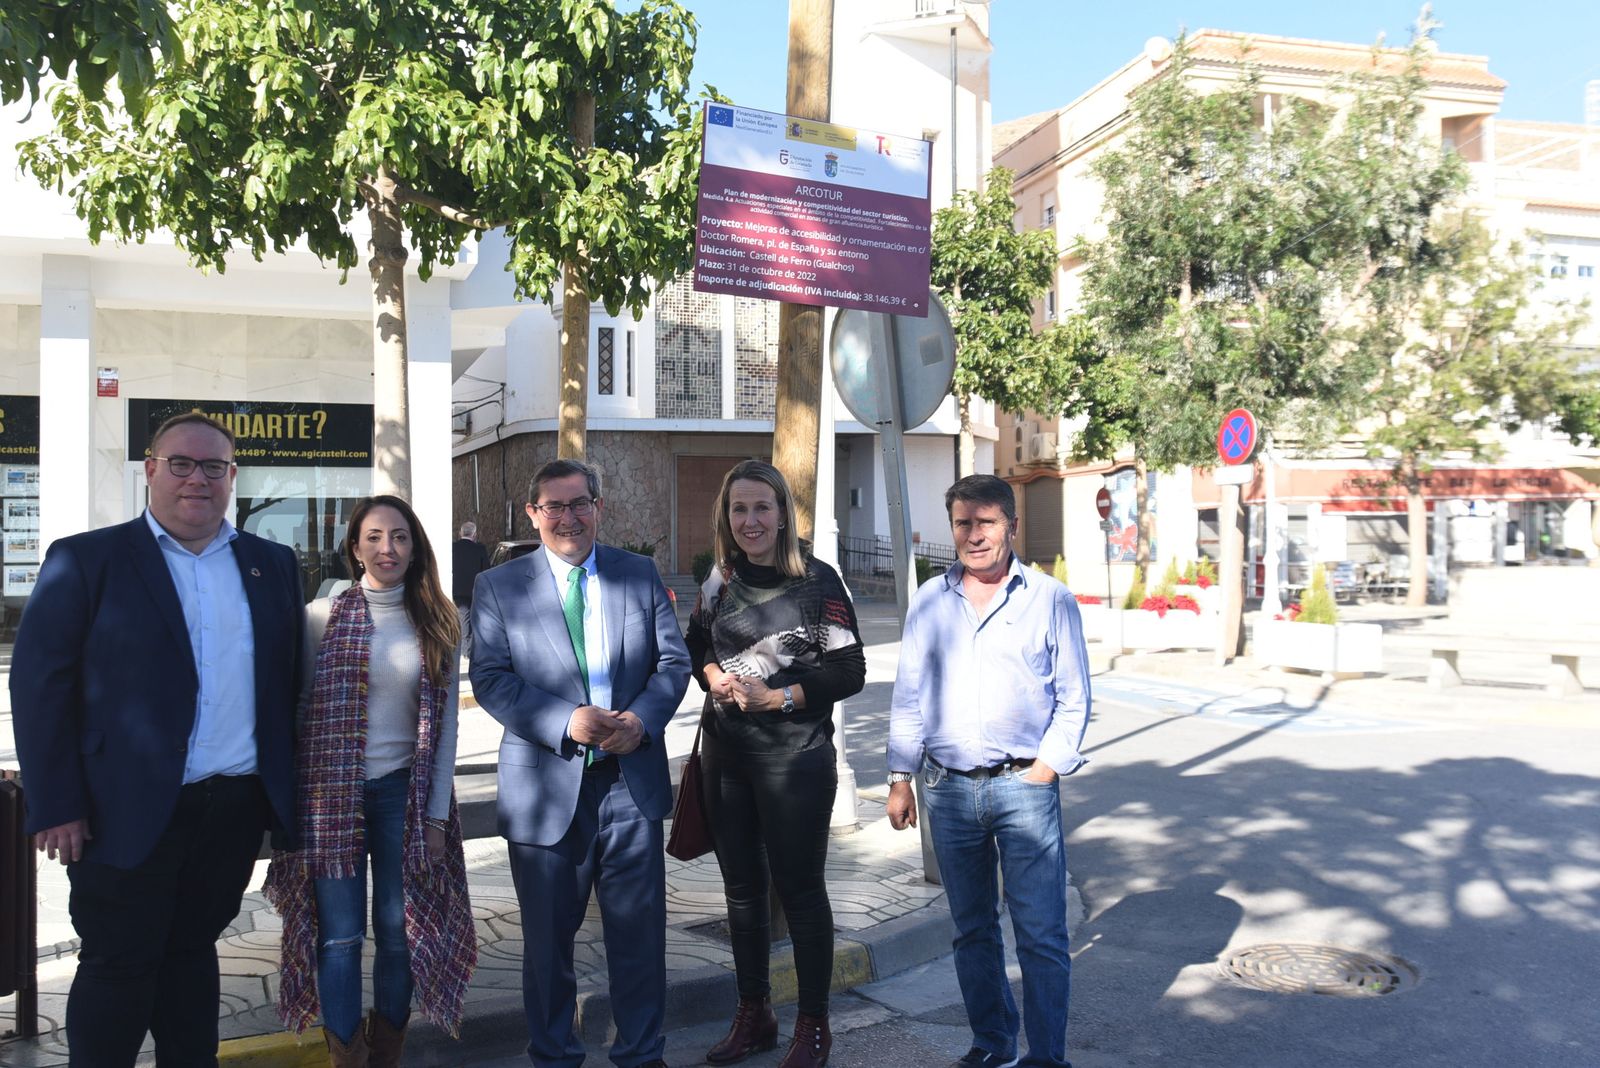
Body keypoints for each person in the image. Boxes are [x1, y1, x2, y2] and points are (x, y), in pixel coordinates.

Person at [10, 412, 303, 1067]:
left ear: (232, 478)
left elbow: (286, 688)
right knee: (119, 965)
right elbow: (38, 687)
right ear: (150, 470)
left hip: (231, 807)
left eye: (213, 467)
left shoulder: (271, 565)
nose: (196, 479)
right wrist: (56, 803)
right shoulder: (87, 559)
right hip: (122, 811)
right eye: (180, 464)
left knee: (192, 955)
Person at [469, 459, 690, 1068]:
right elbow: (489, 678)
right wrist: (565, 721)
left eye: (579, 504)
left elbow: (673, 665)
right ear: (533, 514)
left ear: (598, 506)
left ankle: (642, 1055)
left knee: (639, 941)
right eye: (554, 507)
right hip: (545, 788)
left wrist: (641, 722)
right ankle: (554, 1056)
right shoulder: (500, 586)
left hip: (629, 786)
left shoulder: (638, 573)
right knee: (547, 946)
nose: (569, 518)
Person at [886, 474, 1091, 1068]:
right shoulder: (929, 600)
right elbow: (909, 695)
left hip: (1023, 787)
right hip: (948, 791)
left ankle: (1046, 1057)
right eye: (962, 523)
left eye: (986, 522)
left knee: (1041, 935)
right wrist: (900, 776)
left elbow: (1074, 698)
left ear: (1011, 526)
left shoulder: (1050, 599)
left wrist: (1045, 770)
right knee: (972, 930)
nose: (973, 535)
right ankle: (992, 1042)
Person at [264, 494, 477, 1066]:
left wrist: (435, 816)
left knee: (398, 932)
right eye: (376, 537)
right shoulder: (320, 617)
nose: (389, 548)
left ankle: (387, 1052)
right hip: (330, 796)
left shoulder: (438, 619)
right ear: (354, 548)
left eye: (401, 537)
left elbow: (448, 726)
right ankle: (346, 1057)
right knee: (338, 937)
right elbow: (301, 708)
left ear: (416, 546)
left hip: (403, 796)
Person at [685, 460, 864, 1068]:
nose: (751, 520)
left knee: (801, 891)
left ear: (784, 513)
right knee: (740, 892)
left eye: (762, 507)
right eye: (739, 509)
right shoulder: (721, 576)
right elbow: (697, 643)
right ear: (726, 517)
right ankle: (754, 1013)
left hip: (796, 761)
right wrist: (711, 675)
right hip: (727, 756)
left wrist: (781, 697)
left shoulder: (817, 579)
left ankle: (813, 1026)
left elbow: (850, 671)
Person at [452, 520, 491, 660]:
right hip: (476, 591)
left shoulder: (452, 548)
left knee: (463, 620)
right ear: (475, 534)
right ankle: (471, 650)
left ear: (460, 533)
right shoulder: (480, 549)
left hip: (458, 590)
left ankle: (464, 651)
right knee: (476, 621)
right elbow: (486, 570)